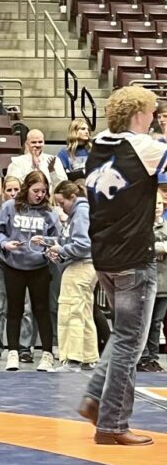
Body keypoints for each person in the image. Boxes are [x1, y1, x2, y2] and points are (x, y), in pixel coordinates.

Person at [79, 85, 166, 446]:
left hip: (104, 257)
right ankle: (112, 424)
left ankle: (93, 398)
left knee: (122, 334)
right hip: (133, 257)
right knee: (131, 343)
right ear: (139, 115)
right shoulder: (146, 147)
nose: (156, 118)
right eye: (153, 113)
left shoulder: (98, 145)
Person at [0, 171, 61, 372]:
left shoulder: (50, 212)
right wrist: (5, 243)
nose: (39, 195)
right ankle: (12, 352)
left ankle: (47, 355)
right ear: (26, 189)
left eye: (43, 191)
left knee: (42, 311)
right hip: (13, 266)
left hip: (39, 267)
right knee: (14, 310)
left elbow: (58, 239)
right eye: (35, 190)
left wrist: (48, 247)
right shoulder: (9, 207)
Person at [0, 176, 35, 362]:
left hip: (26, 266)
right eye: (9, 190)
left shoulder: (30, 210)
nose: (13, 193)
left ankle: (24, 347)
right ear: (3, 191)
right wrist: (4, 242)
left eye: (16, 190)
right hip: (1, 264)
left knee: (27, 308)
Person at [47, 180, 98, 371]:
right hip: (84, 265)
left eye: (62, 203)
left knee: (71, 312)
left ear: (73, 198)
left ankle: (73, 359)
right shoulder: (79, 213)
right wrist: (48, 243)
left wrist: (60, 249)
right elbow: (70, 240)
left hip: (81, 266)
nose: (61, 208)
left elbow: (83, 244)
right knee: (83, 311)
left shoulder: (81, 213)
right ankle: (88, 357)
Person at [138, 176, 167, 372]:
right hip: (145, 282)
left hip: (164, 283)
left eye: (159, 203)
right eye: (153, 203)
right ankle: (141, 356)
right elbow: (141, 247)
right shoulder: (141, 225)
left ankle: (152, 357)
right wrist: (161, 247)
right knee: (143, 323)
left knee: (156, 323)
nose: (157, 207)